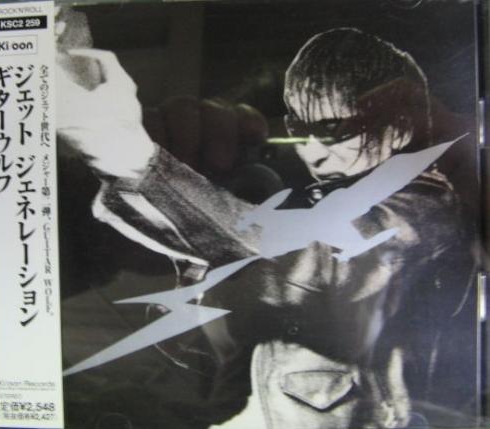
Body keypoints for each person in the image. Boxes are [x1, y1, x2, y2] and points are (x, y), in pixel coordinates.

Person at [57, 28, 473, 428]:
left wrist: (130, 157)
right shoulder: (332, 201)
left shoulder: (426, 207)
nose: (312, 154)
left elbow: (310, 261)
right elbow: (230, 386)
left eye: (332, 131)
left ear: (398, 126)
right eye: (296, 132)